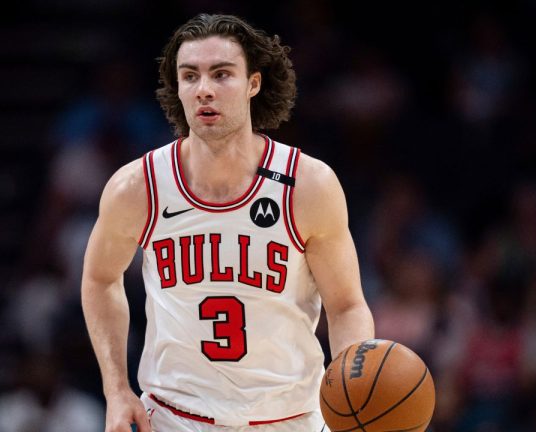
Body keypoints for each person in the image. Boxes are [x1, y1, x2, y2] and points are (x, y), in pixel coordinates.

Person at [81, 13, 374, 431]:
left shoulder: (308, 185)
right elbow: (99, 279)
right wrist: (116, 390)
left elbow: (346, 305)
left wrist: (354, 388)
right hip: (174, 418)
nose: (204, 90)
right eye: (190, 76)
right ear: (177, 88)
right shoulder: (137, 187)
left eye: (221, 74)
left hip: (290, 418)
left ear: (253, 83)